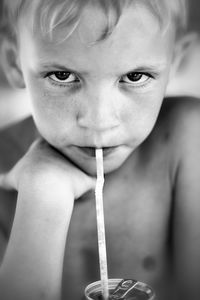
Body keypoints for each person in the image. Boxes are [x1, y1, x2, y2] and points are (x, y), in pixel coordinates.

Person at [0, 1, 200, 299]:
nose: (98, 121)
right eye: (62, 76)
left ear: (175, 59)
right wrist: (43, 196)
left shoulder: (188, 141)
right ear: (14, 62)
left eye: (134, 77)